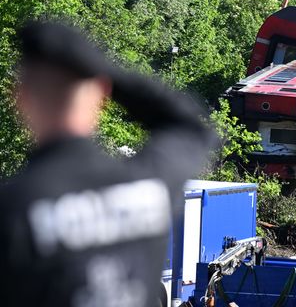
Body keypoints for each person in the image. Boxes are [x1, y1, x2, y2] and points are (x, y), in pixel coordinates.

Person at [0, 21, 215, 307]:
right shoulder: (150, 185)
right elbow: (190, 125)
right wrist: (106, 73)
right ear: (102, 94)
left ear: (22, 99)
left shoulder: (13, 210)